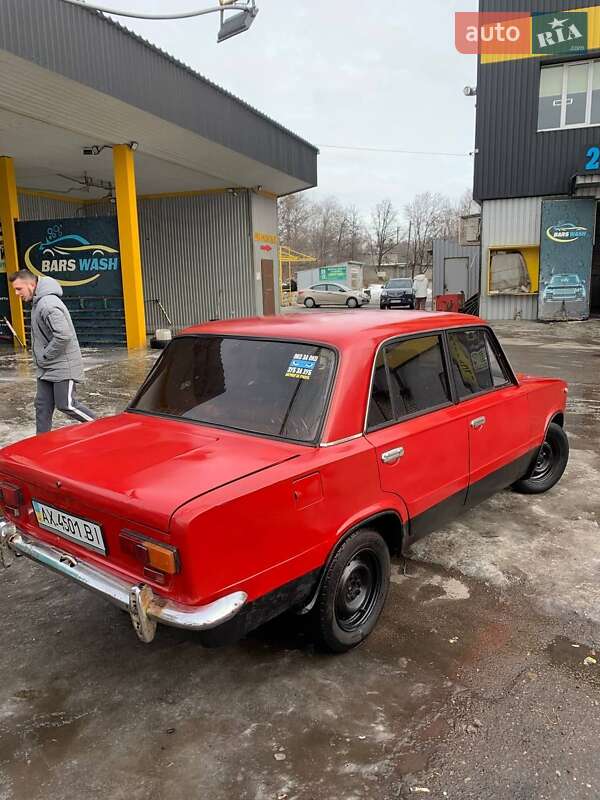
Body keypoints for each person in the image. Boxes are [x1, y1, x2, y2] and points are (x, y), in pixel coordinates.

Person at [9, 270, 97, 434]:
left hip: (62, 366)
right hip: (47, 367)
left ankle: (104, 428)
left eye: (19, 289)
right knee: (42, 405)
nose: (16, 293)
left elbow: (63, 336)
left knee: (66, 404)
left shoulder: (48, 304)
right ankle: (41, 442)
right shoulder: (38, 302)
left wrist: (45, 355)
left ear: (32, 285)